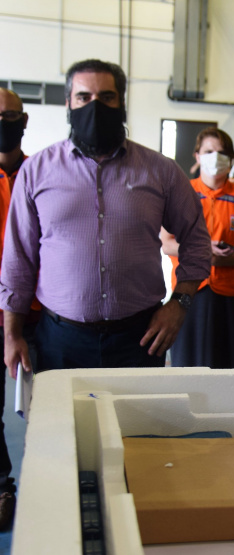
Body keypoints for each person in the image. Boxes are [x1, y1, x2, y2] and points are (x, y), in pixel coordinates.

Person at [0, 59, 211, 374]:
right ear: (69, 104)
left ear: (121, 103)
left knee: (140, 410)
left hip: (140, 339)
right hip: (60, 340)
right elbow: (19, 260)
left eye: (107, 97)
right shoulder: (37, 171)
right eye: (84, 97)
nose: (95, 107)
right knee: (61, 409)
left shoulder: (161, 171)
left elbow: (197, 242)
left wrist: (179, 305)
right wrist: (12, 334)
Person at [161, 128, 234, 369]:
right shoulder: (181, 192)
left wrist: (228, 255)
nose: (215, 157)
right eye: (209, 151)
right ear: (197, 156)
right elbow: (166, 243)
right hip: (189, 291)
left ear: (231, 159)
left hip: (231, 295)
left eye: (222, 152)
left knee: (229, 368)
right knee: (187, 366)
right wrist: (204, 250)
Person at [0, 88, 36, 529]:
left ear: (24, 121)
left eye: (10, 115)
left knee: (43, 404)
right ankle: (2, 488)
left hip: (38, 312)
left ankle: (49, 481)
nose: (3, 122)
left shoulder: (40, 172)